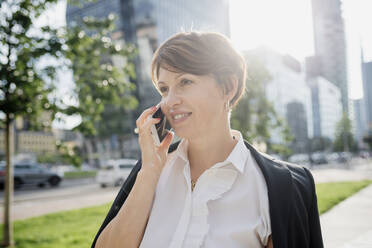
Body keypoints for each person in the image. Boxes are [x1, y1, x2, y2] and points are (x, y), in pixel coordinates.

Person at [92, 31, 323, 248]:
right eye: (164, 89)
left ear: (228, 87)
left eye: (185, 82)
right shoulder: (150, 171)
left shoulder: (281, 187)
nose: (169, 101)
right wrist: (149, 172)